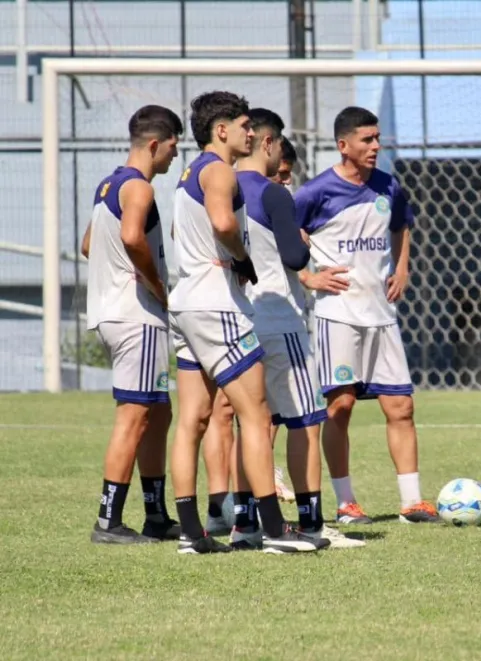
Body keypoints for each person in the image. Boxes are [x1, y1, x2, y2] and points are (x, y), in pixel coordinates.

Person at [170, 90, 323, 554]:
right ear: (222, 131)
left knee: (192, 419)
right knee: (255, 416)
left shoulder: (186, 175)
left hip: (186, 300)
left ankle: (192, 533)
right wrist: (243, 259)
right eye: (243, 126)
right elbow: (222, 224)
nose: (251, 133)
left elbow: (185, 232)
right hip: (217, 304)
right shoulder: (218, 170)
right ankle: (275, 531)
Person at [296, 106, 439, 524]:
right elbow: (281, 233)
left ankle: (412, 502)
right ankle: (345, 504)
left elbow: (402, 226)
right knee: (340, 407)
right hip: (338, 314)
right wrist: (307, 276)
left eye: (377, 138)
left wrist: (402, 267)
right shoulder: (315, 192)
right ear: (344, 145)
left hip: (382, 315)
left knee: (401, 407)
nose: (375, 146)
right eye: (366, 140)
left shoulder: (388, 186)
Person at [233, 107, 364, 549]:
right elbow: (294, 257)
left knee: (251, 424)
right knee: (305, 422)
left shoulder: (220, 186)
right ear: (267, 143)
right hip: (279, 319)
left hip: (241, 316)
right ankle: (311, 523)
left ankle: (244, 521)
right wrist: (300, 242)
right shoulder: (273, 194)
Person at [82, 105, 183, 544]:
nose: (175, 157)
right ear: (155, 144)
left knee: (158, 413)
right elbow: (130, 237)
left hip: (112, 313)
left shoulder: (110, 183)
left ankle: (156, 515)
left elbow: (89, 245)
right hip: (135, 316)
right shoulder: (139, 187)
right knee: (136, 414)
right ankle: (108, 521)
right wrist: (156, 285)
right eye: (174, 147)